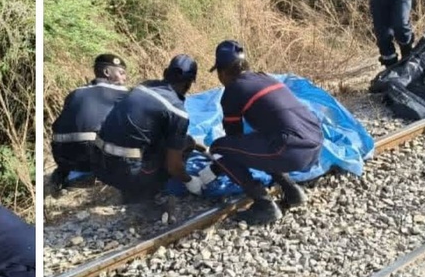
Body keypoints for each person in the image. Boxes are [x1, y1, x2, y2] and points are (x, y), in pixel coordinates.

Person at [206, 40, 323, 226]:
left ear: (223, 72)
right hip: (316, 143)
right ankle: (292, 191)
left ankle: (264, 204)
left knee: (219, 148)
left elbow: (232, 140)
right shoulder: (266, 78)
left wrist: (214, 168)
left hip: (290, 149)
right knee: (263, 143)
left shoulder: (233, 90)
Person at [94, 54, 204, 204]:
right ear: (189, 83)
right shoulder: (177, 111)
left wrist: (190, 141)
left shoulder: (144, 86)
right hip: (126, 173)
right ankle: (144, 196)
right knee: (178, 152)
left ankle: (132, 185)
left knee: (184, 142)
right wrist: (190, 180)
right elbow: (174, 166)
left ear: (165, 73)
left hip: (98, 163)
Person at [49, 53, 129, 194]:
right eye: (121, 73)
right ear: (107, 72)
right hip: (93, 155)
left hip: (62, 154)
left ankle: (71, 175)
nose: (124, 78)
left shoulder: (74, 93)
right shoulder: (121, 92)